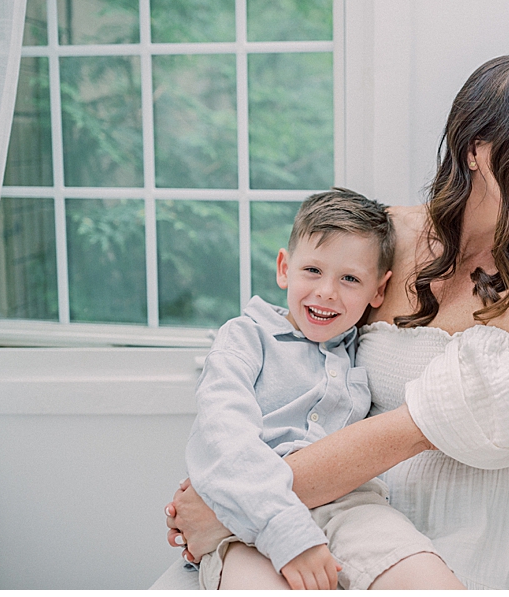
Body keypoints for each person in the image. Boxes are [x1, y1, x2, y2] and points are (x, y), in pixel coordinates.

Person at [162, 55, 509, 589]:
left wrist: (236, 503)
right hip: (325, 519)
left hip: (455, 539)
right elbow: (292, 358)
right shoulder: (382, 236)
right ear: (478, 149)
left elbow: (416, 429)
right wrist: (238, 482)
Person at [184, 187, 463, 590]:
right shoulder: (246, 338)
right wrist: (289, 534)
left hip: (349, 505)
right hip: (249, 514)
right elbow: (225, 441)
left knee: (431, 581)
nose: (327, 291)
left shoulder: (364, 348)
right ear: (284, 267)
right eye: (312, 270)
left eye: (350, 278)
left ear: (379, 291)